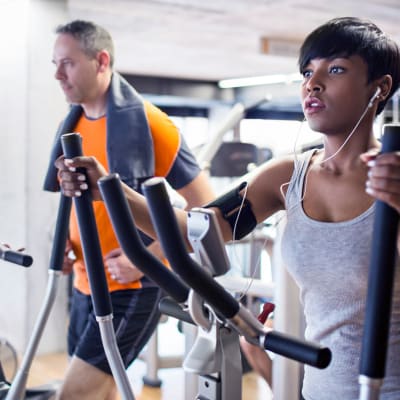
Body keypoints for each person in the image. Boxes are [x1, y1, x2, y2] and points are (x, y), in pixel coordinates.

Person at [54, 17, 400, 399]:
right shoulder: (287, 176)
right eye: (307, 72)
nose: (313, 84)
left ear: (379, 88)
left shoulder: (394, 177)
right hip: (322, 389)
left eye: (335, 69)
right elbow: (200, 229)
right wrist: (110, 190)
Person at [43, 20, 215, 400]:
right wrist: (69, 244)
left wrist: (147, 257)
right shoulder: (71, 126)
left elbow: (207, 209)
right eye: (54, 63)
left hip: (132, 288)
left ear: (101, 60)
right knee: (102, 390)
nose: (57, 74)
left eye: (67, 63)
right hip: (85, 285)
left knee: (72, 394)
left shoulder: (154, 125)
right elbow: (78, 203)